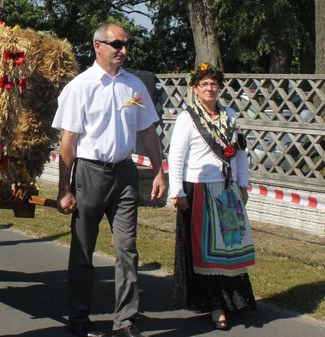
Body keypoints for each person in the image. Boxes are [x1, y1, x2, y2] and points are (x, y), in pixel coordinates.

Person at [52, 23, 167, 337]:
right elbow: (69, 142)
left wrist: (159, 170)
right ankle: (78, 318)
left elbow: (147, 130)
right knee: (83, 249)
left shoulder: (134, 86)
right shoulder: (81, 86)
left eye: (126, 44)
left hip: (124, 173)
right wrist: (64, 188)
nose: (123, 50)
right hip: (90, 173)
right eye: (116, 44)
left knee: (127, 249)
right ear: (97, 46)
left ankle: (125, 321)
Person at [168, 64, 256, 330]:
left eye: (214, 84)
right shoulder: (188, 117)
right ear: (195, 88)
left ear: (220, 87)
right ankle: (214, 304)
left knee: (230, 246)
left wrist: (243, 183)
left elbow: (240, 152)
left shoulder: (229, 114)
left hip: (227, 190)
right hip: (199, 188)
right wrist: (178, 191)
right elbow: (176, 156)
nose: (209, 88)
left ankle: (233, 299)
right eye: (204, 84)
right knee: (207, 251)